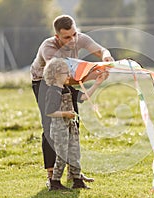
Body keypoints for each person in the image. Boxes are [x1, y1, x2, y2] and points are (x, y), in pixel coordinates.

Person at [30, 14, 114, 188]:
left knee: (73, 121)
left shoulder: (79, 38)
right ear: (57, 37)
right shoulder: (49, 48)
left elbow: (101, 50)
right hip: (46, 81)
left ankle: (74, 173)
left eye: (74, 34)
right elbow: (62, 77)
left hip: (66, 76)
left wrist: (106, 57)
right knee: (50, 126)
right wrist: (93, 75)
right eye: (67, 37)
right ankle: (51, 176)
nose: (73, 40)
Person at [43, 57, 107, 190]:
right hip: (59, 127)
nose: (69, 75)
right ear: (55, 75)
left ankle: (77, 180)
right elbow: (49, 112)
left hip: (71, 126)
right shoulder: (53, 91)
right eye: (66, 72)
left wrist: (97, 83)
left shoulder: (68, 89)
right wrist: (65, 114)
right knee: (62, 154)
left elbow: (84, 97)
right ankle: (55, 182)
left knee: (74, 152)